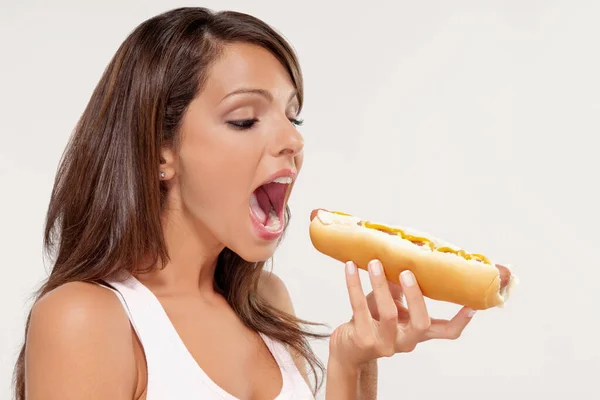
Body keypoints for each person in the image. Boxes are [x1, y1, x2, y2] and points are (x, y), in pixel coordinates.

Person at [13, 7, 476, 400]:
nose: (293, 139)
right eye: (244, 119)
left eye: (292, 116)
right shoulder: (84, 319)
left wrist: (351, 363)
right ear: (160, 153)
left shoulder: (267, 304)